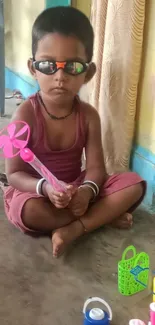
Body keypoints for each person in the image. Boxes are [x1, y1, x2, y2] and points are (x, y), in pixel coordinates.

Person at [4, 6, 146, 258]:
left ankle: (75, 227)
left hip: (76, 189)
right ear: (32, 68)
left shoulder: (89, 116)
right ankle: (97, 219)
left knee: (132, 184)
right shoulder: (25, 115)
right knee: (28, 210)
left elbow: (95, 169)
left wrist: (87, 191)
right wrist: (44, 188)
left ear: (88, 73)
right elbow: (14, 174)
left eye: (72, 67)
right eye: (48, 65)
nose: (59, 76)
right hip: (36, 191)